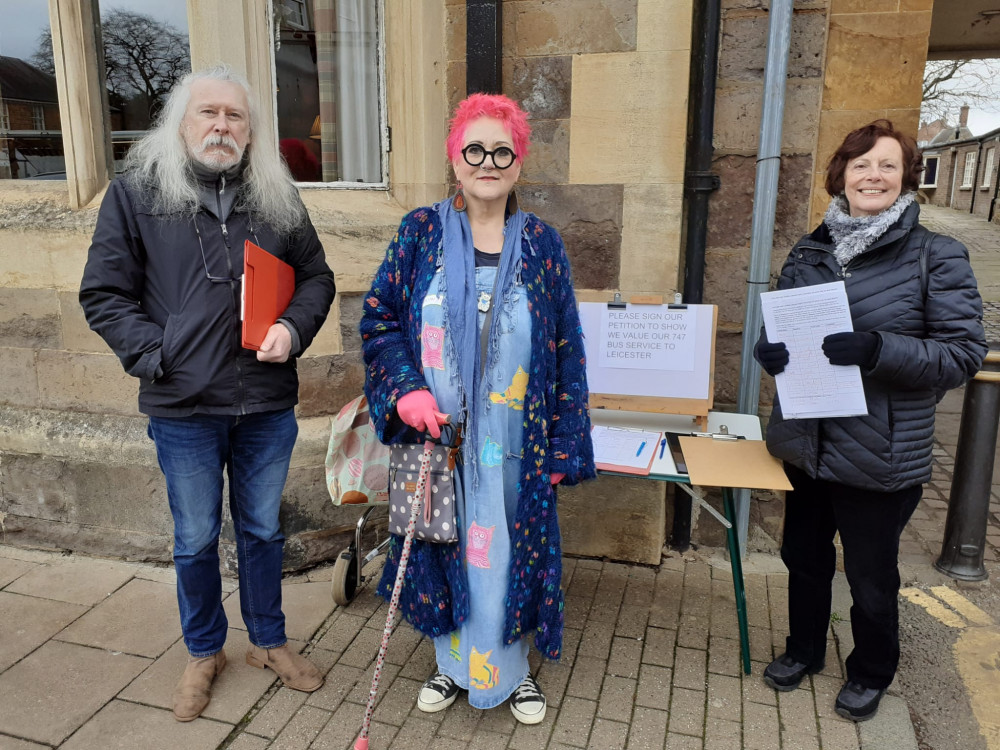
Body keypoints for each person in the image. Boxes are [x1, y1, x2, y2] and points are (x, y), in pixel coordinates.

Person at [79, 65, 336, 722]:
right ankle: (203, 651)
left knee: (261, 529)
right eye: (209, 113)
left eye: (236, 116)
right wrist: (159, 354)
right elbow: (103, 295)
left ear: (250, 132)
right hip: (183, 406)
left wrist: (291, 328)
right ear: (182, 121)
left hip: (265, 404)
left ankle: (269, 642)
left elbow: (316, 277)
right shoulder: (137, 192)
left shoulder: (273, 192)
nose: (222, 125)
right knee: (195, 537)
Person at [361, 93, 594, 724]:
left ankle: (509, 673)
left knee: (510, 552)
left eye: (502, 150)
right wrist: (406, 388)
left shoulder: (543, 244)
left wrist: (566, 444)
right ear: (454, 158)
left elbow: (568, 347)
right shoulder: (419, 232)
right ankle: (451, 664)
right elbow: (380, 318)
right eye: (475, 149)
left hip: (516, 442)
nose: (487, 161)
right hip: (434, 437)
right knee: (441, 543)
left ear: (519, 161)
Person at [755, 119, 987, 722]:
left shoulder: (935, 254)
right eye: (861, 165)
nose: (873, 176)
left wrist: (878, 348)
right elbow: (780, 326)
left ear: (906, 177)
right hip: (808, 443)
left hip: (880, 450)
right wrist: (768, 351)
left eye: (887, 165)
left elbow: (962, 354)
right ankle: (804, 648)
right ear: (842, 176)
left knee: (870, 576)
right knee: (803, 558)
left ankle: (872, 670)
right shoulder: (810, 249)